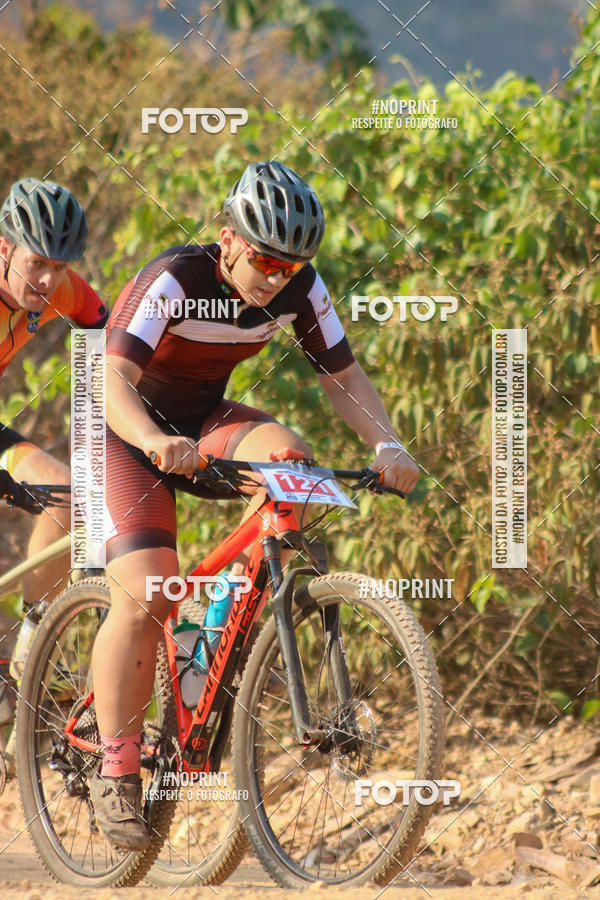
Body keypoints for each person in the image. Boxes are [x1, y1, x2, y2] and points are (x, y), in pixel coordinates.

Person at [90, 160, 419, 849]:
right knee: (148, 591)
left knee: (290, 460)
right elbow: (110, 378)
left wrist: (388, 444)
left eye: (293, 266)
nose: (277, 277)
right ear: (229, 240)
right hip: (124, 429)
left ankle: (207, 641)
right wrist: (152, 438)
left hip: (205, 423)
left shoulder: (299, 286)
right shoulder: (175, 278)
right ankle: (115, 773)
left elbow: (343, 377)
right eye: (266, 259)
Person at [0, 178, 108, 733]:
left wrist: (100, 444)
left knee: (71, 495)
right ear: (4, 249)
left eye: (61, 266)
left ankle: (29, 653)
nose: (48, 280)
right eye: (38, 262)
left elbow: (102, 340)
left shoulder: (59, 288)